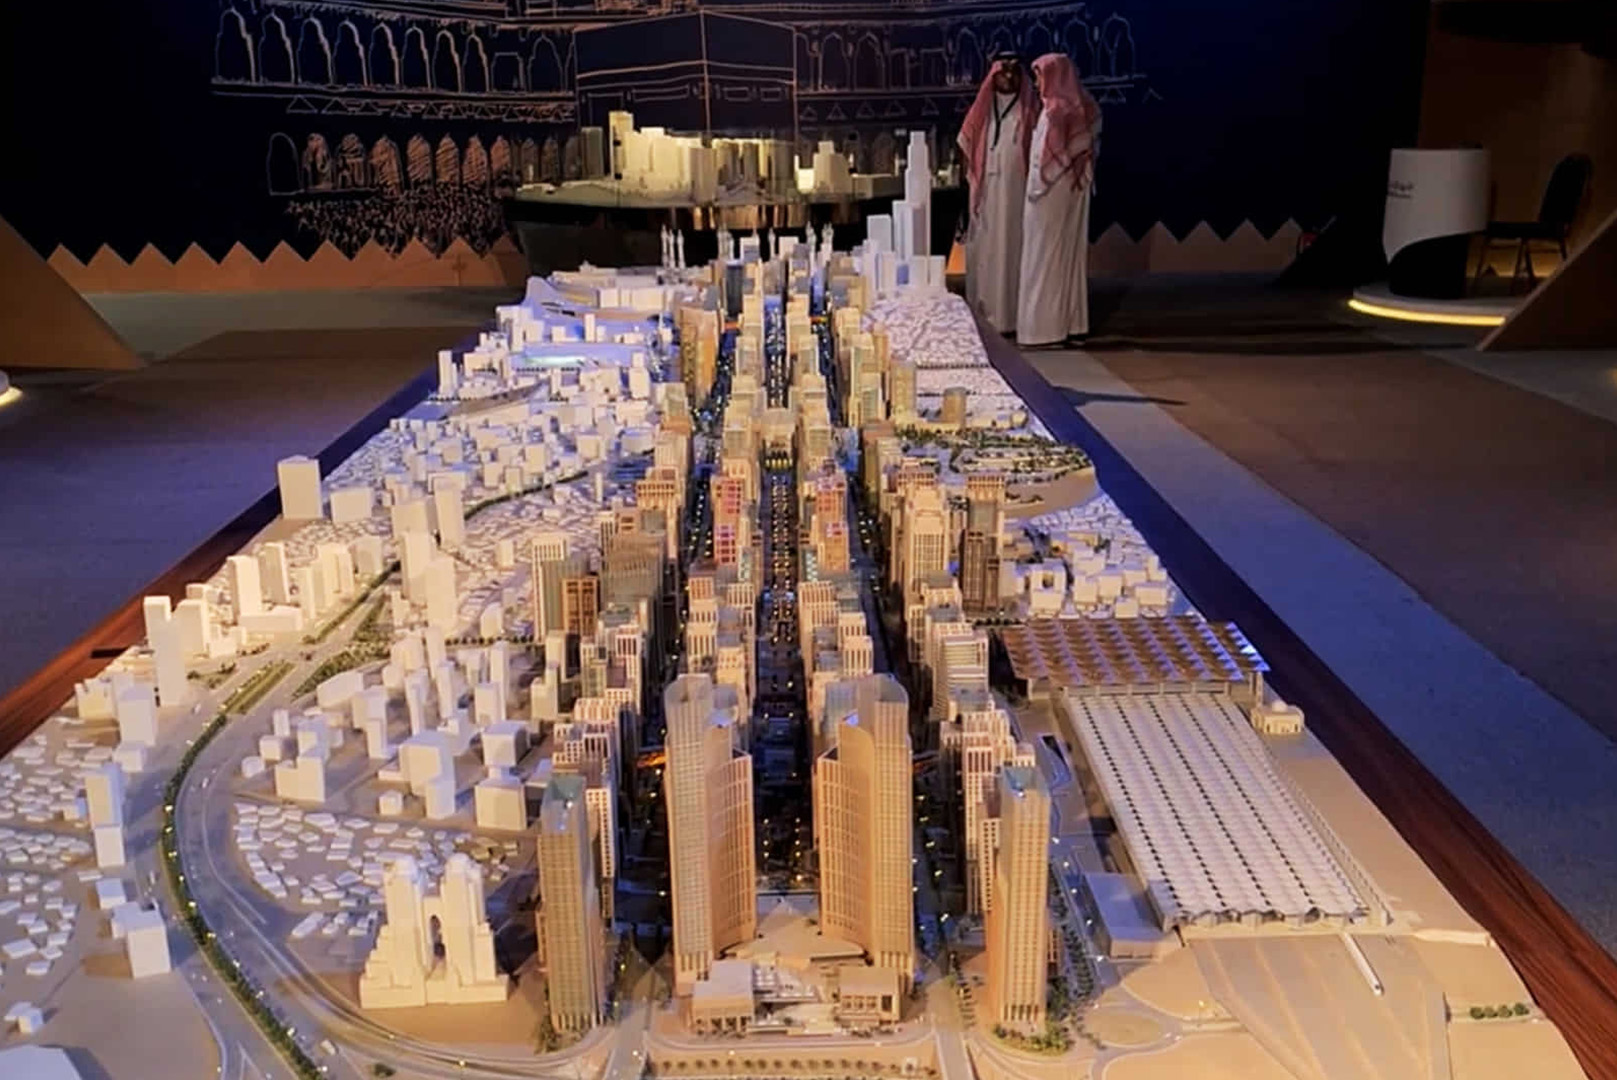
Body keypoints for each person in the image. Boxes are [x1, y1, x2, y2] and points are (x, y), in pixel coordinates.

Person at [1017, 53, 1103, 347]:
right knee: (1059, 257)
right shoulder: (1078, 107)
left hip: (1050, 193)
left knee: (1045, 259)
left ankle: (1043, 331)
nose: (1036, 83)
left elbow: (1049, 162)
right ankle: (1067, 325)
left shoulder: (1057, 111)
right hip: (1063, 191)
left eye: (1040, 76)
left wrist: (1035, 188)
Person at [957, 54, 1039, 336]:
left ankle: (1012, 317)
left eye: (1015, 72)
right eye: (1004, 72)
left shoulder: (1029, 110)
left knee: (1012, 249)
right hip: (987, 194)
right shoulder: (983, 110)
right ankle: (986, 314)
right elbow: (966, 144)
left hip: (1017, 195)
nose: (1009, 78)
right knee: (988, 249)